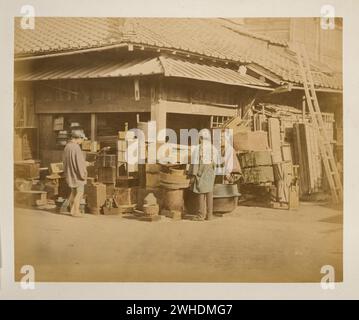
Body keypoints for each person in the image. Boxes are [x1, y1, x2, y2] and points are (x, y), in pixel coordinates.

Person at [188, 130, 218, 221]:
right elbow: (216, 163)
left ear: (200, 138)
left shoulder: (198, 148)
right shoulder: (214, 148)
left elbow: (195, 163)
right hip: (210, 172)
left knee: (200, 191)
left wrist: (192, 175)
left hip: (201, 171)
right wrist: (214, 174)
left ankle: (200, 215)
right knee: (209, 192)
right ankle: (209, 216)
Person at [63, 130, 88, 217]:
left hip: (70, 172)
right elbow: (79, 163)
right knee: (80, 192)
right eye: (82, 139)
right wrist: (83, 174)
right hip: (77, 174)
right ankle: (76, 211)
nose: (82, 142)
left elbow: (65, 161)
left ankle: (71, 209)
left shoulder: (67, 146)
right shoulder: (76, 147)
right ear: (78, 138)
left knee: (73, 191)